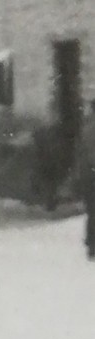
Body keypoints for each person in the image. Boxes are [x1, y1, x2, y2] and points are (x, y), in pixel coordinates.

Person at [76, 98, 95, 261]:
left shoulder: (86, 129)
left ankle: (91, 244)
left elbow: (81, 154)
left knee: (91, 211)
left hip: (88, 175)